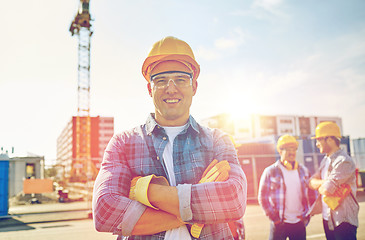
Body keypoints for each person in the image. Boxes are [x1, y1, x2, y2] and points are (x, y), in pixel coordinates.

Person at [92, 36, 247, 240]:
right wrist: (200, 209)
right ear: (150, 89)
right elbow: (105, 212)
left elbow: (234, 200)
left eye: (181, 79)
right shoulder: (123, 143)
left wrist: (144, 191)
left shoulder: (218, 140)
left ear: (194, 87)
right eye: (161, 80)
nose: (171, 88)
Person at [309, 121, 359, 240]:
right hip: (328, 218)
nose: (317, 144)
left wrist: (324, 184)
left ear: (330, 139)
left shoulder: (344, 161)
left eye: (319, 140)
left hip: (343, 220)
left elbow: (327, 190)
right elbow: (311, 182)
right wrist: (326, 181)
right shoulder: (325, 161)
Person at [258, 135, 311, 240]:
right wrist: (274, 218)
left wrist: (307, 215)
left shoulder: (304, 171)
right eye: (288, 149)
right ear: (280, 151)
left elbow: (312, 195)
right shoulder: (270, 171)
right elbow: (262, 197)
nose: (292, 152)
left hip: (299, 223)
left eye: (294, 149)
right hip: (279, 223)